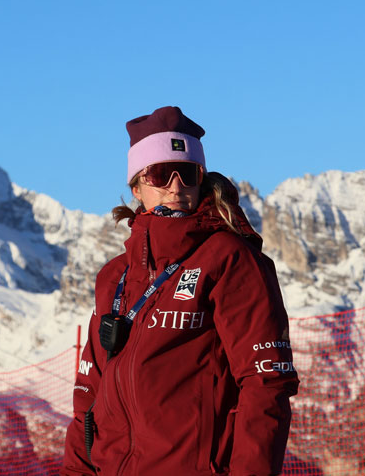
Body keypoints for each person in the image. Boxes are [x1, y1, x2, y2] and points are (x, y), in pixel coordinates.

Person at [62, 106, 299, 476]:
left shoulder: (229, 258)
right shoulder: (114, 276)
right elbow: (88, 394)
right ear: (137, 186)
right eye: (160, 173)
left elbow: (265, 383)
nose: (175, 186)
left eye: (188, 173)